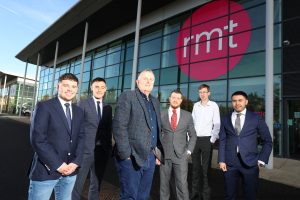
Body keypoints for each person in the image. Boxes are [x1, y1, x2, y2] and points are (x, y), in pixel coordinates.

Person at [28, 73, 85, 200]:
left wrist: (76, 162)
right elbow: (38, 140)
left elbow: (82, 138)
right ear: (58, 87)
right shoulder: (44, 106)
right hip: (46, 171)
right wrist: (59, 165)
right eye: (66, 85)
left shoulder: (79, 112)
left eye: (73, 86)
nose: (70, 89)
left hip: (71, 172)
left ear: (76, 89)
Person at [113, 69, 163, 200]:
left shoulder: (155, 102)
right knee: (129, 196)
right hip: (132, 157)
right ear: (137, 81)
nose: (148, 81)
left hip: (150, 157)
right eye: (145, 78)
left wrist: (157, 153)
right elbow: (119, 126)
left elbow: (156, 128)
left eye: (151, 79)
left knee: (143, 196)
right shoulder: (127, 96)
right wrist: (126, 154)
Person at [218, 91, 273, 200]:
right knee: (229, 195)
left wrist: (261, 160)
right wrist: (221, 160)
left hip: (250, 163)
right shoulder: (225, 118)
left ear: (246, 102)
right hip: (230, 163)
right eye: (234, 101)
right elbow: (222, 140)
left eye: (240, 100)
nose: (237, 103)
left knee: (250, 195)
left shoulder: (256, 118)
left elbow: (267, 141)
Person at [72, 77, 112, 200]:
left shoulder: (108, 108)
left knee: (96, 184)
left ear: (105, 89)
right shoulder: (82, 104)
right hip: (85, 152)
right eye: (96, 87)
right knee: (77, 185)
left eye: (102, 87)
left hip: (101, 152)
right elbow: (76, 129)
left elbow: (108, 129)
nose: (99, 90)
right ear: (91, 88)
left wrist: (109, 148)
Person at [160, 89, 196, 200]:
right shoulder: (161, 114)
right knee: (164, 185)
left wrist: (188, 152)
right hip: (164, 155)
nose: (175, 100)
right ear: (169, 99)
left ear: (181, 100)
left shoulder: (188, 115)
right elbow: (157, 134)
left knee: (182, 185)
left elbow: (193, 135)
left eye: (178, 98)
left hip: (181, 155)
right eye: (173, 97)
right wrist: (157, 153)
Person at [191, 84, 220, 200]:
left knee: (206, 168)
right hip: (195, 140)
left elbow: (217, 124)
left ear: (209, 93)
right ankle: (194, 193)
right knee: (195, 168)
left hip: (207, 140)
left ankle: (206, 194)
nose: (202, 94)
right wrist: (190, 137)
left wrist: (212, 140)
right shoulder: (195, 105)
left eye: (204, 92)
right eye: (200, 92)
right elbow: (191, 123)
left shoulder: (213, 106)